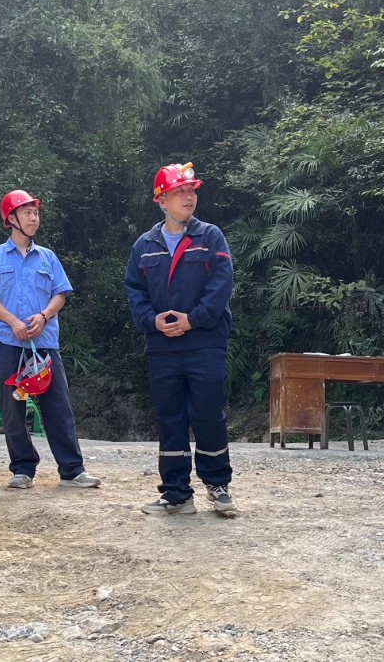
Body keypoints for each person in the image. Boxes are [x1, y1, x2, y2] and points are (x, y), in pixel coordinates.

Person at [124, 163, 235, 516]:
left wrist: (193, 319)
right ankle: (176, 494)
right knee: (170, 418)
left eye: (191, 191)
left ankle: (217, 485)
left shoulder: (210, 237)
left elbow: (221, 285)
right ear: (161, 200)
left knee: (208, 414)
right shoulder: (144, 246)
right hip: (163, 347)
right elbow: (135, 291)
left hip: (205, 343)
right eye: (179, 192)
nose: (189, 197)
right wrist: (152, 321)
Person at [0, 190, 100, 490]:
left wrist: (43, 316)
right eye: (27, 213)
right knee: (12, 407)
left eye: (35, 213)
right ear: (11, 219)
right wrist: (13, 322)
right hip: (7, 341)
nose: (34, 218)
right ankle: (22, 469)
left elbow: (61, 294)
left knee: (57, 404)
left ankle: (72, 470)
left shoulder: (48, 257)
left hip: (44, 342)